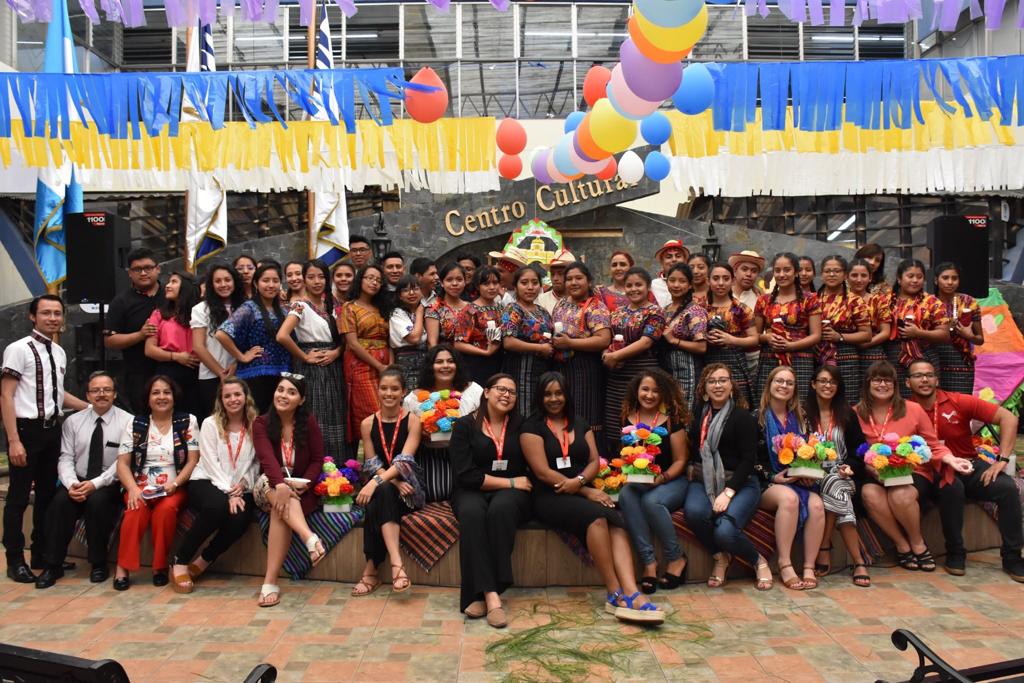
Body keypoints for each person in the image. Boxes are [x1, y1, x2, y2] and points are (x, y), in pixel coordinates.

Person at [521, 372, 664, 624]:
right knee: (598, 517)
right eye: (548, 394)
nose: (554, 399)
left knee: (615, 520)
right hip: (549, 494)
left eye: (559, 393)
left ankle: (632, 591)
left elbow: (593, 461)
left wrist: (580, 482)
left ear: (566, 395)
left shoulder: (579, 422)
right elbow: (542, 472)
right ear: (539, 397)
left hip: (578, 485)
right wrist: (586, 490)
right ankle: (613, 592)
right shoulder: (531, 427)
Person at [906, 359, 1024, 580]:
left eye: (929, 375)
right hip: (931, 470)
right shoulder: (904, 409)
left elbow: (1008, 418)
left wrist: (1002, 459)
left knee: (1008, 488)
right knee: (952, 487)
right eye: (918, 375)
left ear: (936, 379)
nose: (924, 379)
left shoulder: (958, 401)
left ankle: (1012, 557)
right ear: (907, 382)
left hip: (968, 463)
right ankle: (955, 552)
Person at [1, 295, 88, 583]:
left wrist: (91, 408)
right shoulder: (18, 349)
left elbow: (58, 393)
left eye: (57, 313)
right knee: (18, 496)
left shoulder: (59, 352)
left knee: (48, 497)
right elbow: (6, 395)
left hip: (53, 431)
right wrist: (13, 440)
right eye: (46, 313)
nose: (52, 318)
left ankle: (41, 553)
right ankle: (15, 559)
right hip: (26, 430)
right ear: (32, 316)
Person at [855, 361, 967, 573]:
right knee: (869, 493)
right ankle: (902, 544)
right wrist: (871, 470)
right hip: (875, 473)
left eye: (888, 380)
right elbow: (855, 452)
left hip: (912, 472)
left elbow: (933, 445)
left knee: (900, 494)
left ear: (896, 385)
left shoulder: (913, 409)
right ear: (867, 384)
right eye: (877, 380)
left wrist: (950, 459)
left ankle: (917, 543)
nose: (882, 384)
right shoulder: (856, 413)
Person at [450, 374, 533, 627]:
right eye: (500, 389)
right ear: (486, 392)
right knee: (472, 515)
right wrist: (509, 482)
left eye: (512, 391)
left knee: (501, 509)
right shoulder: (465, 425)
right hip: (472, 488)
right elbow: (465, 474)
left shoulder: (522, 424)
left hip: (513, 493)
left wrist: (513, 485)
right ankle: (491, 595)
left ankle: (484, 594)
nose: (506, 395)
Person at [35, 371, 130, 589]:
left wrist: (95, 484)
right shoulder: (73, 422)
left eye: (107, 390)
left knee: (98, 503)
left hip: (109, 482)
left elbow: (122, 463)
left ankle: (98, 563)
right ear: (87, 395)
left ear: (115, 394)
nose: (101, 394)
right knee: (59, 504)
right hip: (77, 479)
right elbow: (66, 457)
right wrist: (71, 484)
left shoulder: (128, 422)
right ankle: (52, 564)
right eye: (95, 390)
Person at [682, 364, 772, 590]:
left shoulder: (743, 418)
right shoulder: (697, 415)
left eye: (723, 380)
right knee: (694, 513)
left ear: (732, 386)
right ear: (704, 387)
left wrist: (728, 493)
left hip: (740, 483)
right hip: (703, 479)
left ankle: (757, 560)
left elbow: (748, 460)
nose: (718, 385)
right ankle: (720, 557)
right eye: (712, 381)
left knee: (725, 530)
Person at [169, 378, 260, 593]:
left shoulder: (256, 424)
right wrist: (230, 492)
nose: (233, 399)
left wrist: (245, 483)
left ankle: (203, 561)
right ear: (221, 399)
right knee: (216, 506)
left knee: (240, 518)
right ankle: (180, 560)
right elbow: (209, 462)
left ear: (246, 397)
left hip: (241, 486)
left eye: (237, 394)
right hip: (207, 480)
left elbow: (256, 462)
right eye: (227, 396)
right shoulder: (210, 423)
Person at [113, 375, 200, 590]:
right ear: (148, 398)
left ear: (174, 396)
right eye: (156, 393)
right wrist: (133, 489)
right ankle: (122, 567)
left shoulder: (187, 421)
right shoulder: (135, 424)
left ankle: (160, 566)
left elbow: (193, 461)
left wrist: (176, 484)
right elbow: (122, 464)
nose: (162, 397)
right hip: (139, 486)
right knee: (135, 510)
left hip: (173, 487)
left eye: (166, 392)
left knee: (166, 511)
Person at [252, 375, 327, 607]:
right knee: (274, 490)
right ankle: (309, 538)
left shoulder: (309, 423)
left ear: (301, 399)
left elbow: (317, 460)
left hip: (300, 491)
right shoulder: (261, 424)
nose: (283, 395)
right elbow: (267, 461)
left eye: (291, 392)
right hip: (268, 487)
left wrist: (304, 484)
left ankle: (270, 581)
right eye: (280, 390)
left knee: (280, 508)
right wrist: (282, 484)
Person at [616, 370, 690, 594]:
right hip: (640, 481)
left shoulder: (672, 421)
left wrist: (662, 478)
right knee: (627, 494)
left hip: (671, 480)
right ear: (636, 391)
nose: (649, 395)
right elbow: (624, 457)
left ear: (664, 394)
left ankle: (676, 558)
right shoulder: (627, 418)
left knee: (651, 501)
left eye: (656, 391)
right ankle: (649, 563)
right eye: (645, 389)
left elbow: (681, 461)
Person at [353, 367, 423, 597]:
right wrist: (387, 483)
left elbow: (404, 462)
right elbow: (372, 463)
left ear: (403, 392)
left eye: (394, 389)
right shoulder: (367, 424)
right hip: (388, 486)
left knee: (377, 497)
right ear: (377, 390)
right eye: (384, 388)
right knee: (381, 495)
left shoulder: (413, 421)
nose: (389, 393)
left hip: (409, 490)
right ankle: (396, 565)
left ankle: (371, 570)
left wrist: (376, 482)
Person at [755, 365, 825, 591]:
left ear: (794, 389)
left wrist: (808, 473)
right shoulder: (756, 418)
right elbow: (748, 460)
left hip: (798, 480)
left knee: (816, 505)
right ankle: (784, 563)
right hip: (766, 482)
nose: (783, 386)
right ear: (770, 384)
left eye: (789, 383)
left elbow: (813, 452)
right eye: (779, 381)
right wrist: (772, 476)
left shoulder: (802, 417)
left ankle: (808, 566)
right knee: (789, 499)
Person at [803, 365, 871, 587]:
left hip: (844, 473)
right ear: (813, 384)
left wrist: (849, 467)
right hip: (811, 474)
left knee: (837, 482)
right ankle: (858, 560)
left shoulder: (846, 414)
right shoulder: (802, 412)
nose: (827, 385)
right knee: (836, 488)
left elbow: (859, 451)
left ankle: (824, 547)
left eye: (832, 382)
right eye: (822, 381)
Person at [276, 260, 347, 457]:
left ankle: (339, 464)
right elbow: (282, 335)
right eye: (311, 277)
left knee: (335, 412)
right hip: (312, 368)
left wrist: (337, 352)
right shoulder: (300, 306)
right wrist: (304, 357)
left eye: (321, 277)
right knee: (316, 414)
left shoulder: (331, 304)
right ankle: (316, 463)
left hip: (334, 365)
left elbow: (344, 339)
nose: (317, 281)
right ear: (304, 280)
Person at [403, 344, 483, 502]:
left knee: (468, 492)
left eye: (450, 361)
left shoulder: (474, 391)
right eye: (439, 362)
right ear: (430, 367)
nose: (445, 366)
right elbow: (408, 435)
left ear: (457, 365)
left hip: (468, 454)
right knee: (437, 494)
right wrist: (420, 433)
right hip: (432, 454)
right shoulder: (413, 399)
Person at [603, 267, 665, 454]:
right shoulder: (617, 312)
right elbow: (609, 340)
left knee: (640, 423)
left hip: (642, 376)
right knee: (616, 424)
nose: (633, 289)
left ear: (648, 287)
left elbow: (646, 342)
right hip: (616, 377)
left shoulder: (655, 312)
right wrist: (606, 354)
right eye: (629, 285)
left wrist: (615, 356)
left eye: (639, 284)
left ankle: (642, 466)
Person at [216, 262, 291, 413]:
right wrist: (242, 357)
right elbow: (221, 334)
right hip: (255, 377)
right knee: (258, 422)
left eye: (275, 281)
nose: (271, 285)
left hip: (282, 375)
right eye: (265, 280)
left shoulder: (283, 310)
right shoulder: (248, 308)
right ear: (256, 283)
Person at [551, 262, 612, 439]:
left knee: (586, 416)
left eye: (579, 278)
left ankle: (591, 459)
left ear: (589, 282)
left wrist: (570, 343)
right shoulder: (561, 303)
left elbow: (603, 339)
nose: (573, 282)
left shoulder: (596, 307)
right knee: (564, 413)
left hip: (586, 370)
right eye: (569, 279)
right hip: (561, 368)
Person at [754, 252, 822, 403]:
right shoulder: (763, 300)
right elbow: (755, 336)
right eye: (777, 270)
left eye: (787, 270)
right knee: (766, 405)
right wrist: (767, 337)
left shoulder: (810, 299)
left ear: (796, 272)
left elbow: (816, 335)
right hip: (769, 358)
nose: (781, 274)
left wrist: (791, 345)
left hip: (801, 359)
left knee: (799, 405)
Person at [105, 247, 166, 412]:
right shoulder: (121, 302)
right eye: (137, 269)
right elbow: (110, 341)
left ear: (158, 269)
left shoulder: (171, 295)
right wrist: (140, 335)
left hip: (173, 370)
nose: (143, 273)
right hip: (138, 375)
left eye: (148, 268)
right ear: (129, 273)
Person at [340, 264, 393, 450]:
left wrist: (390, 368)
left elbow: (390, 340)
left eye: (378, 280)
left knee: (389, 410)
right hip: (361, 364)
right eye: (370, 278)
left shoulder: (382, 308)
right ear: (360, 280)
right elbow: (353, 344)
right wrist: (379, 367)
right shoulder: (349, 307)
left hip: (386, 364)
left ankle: (388, 457)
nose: (374, 282)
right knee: (372, 410)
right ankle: (370, 461)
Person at [885, 259, 949, 397]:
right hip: (893, 356)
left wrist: (918, 332)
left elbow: (944, 335)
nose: (915, 280)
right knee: (897, 400)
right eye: (910, 276)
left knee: (927, 397)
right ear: (899, 278)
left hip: (925, 354)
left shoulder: (932, 302)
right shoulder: (885, 301)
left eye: (919, 277)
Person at [192, 262, 244, 421]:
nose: (223, 285)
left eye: (227, 280)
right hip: (211, 376)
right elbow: (198, 346)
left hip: (241, 372)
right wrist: (221, 373)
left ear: (235, 281)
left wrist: (237, 364)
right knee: (215, 422)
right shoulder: (201, 309)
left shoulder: (246, 306)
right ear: (211, 284)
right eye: (218, 281)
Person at [145, 271, 202, 417]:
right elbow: (149, 349)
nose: (168, 286)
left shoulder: (200, 313)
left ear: (186, 288)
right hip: (168, 371)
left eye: (174, 282)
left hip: (197, 371)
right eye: (169, 282)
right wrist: (176, 356)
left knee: (195, 417)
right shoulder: (159, 314)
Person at [500, 266, 555, 417]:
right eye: (524, 283)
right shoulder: (513, 309)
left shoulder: (542, 311)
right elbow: (509, 342)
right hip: (521, 371)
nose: (530, 287)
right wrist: (540, 348)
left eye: (535, 282)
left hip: (543, 371)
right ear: (516, 286)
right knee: (524, 414)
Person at [816, 255, 871, 402]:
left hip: (846, 357)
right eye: (828, 271)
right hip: (818, 356)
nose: (832, 274)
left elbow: (866, 335)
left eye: (836, 271)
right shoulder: (813, 299)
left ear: (845, 275)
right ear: (821, 274)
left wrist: (839, 337)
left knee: (847, 403)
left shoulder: (854, 300)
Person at [705, 263, 758, 407]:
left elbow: (754, 339)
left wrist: (731, 339)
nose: (720, 283)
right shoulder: (700, 308)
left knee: (738, 406)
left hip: (735, 361)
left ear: (733, 281)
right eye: (716, 278)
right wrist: (705, 338)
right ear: (708, 281)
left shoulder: (741, 309)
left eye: (725, 278)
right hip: (707, 361)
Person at [660, 263, 708, 414]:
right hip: (666, 368)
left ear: (690, 285)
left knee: (685, 413)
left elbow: (702, 347)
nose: (676, 285)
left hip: (688, 370)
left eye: (682, 281)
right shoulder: (665, 310)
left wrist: (674, 340)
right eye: (672, 280)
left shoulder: (695, 310)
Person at [933, 263, 984, 394]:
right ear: (935, 280)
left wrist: (969, 336)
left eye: (954, 278)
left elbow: (980, 339)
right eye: (945, 278)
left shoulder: (968, 301)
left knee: (961, 406)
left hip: (961, 362)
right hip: (934, 360)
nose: (950, 282)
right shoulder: (928, 302)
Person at [454, 265, 505, 385]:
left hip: (500, 361)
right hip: (476, 363)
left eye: (495, 283)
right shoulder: (470, 310)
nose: (492, 287)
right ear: (478, 286)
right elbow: (458, 343)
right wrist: (485, 352)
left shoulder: (501, 308)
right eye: (486, 284)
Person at [848, 258, 891, 379]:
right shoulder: (840, 300)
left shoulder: (878, 300)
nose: (859, 280)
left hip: (872, 351)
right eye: (854, 275)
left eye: (863, 275)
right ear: (847, 277)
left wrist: (865, 344)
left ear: (870, 278)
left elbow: (885, 332)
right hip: (845, 351)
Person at [728, 250, 765, 381]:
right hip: (727, 357)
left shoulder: (761, 298)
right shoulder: (722, 294)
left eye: (754, 271)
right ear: (735, 271)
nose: (749, 274)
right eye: (744, 269)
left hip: (754, 358)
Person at [390, 274, 428, 391]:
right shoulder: (397, 314)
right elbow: (414, 338)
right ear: (400, 296)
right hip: (405, 362)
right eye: (406, 290)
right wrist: (420, 312)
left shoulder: (429, 310)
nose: (412, 293)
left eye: (415, 289)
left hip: (425, 361)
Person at [425, 263, 469, 348]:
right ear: (442, 283)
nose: (455, 283)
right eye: (449, 280)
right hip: (446, 358)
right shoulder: (434, 308)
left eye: (459, 280)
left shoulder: (471, 307)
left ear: (465, 282)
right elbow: (432, 344)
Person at [651, 240, 690, 307]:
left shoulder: (692, 283)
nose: (674, 259)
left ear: (685, 260)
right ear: (662, 262)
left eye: (678, 256)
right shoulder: (653, 286)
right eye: (669, 257)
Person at [537, 249, 575, 314]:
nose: (555, 278)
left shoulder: (580, 300)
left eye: (560, 274)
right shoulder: (540, 300)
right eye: (552, 274)